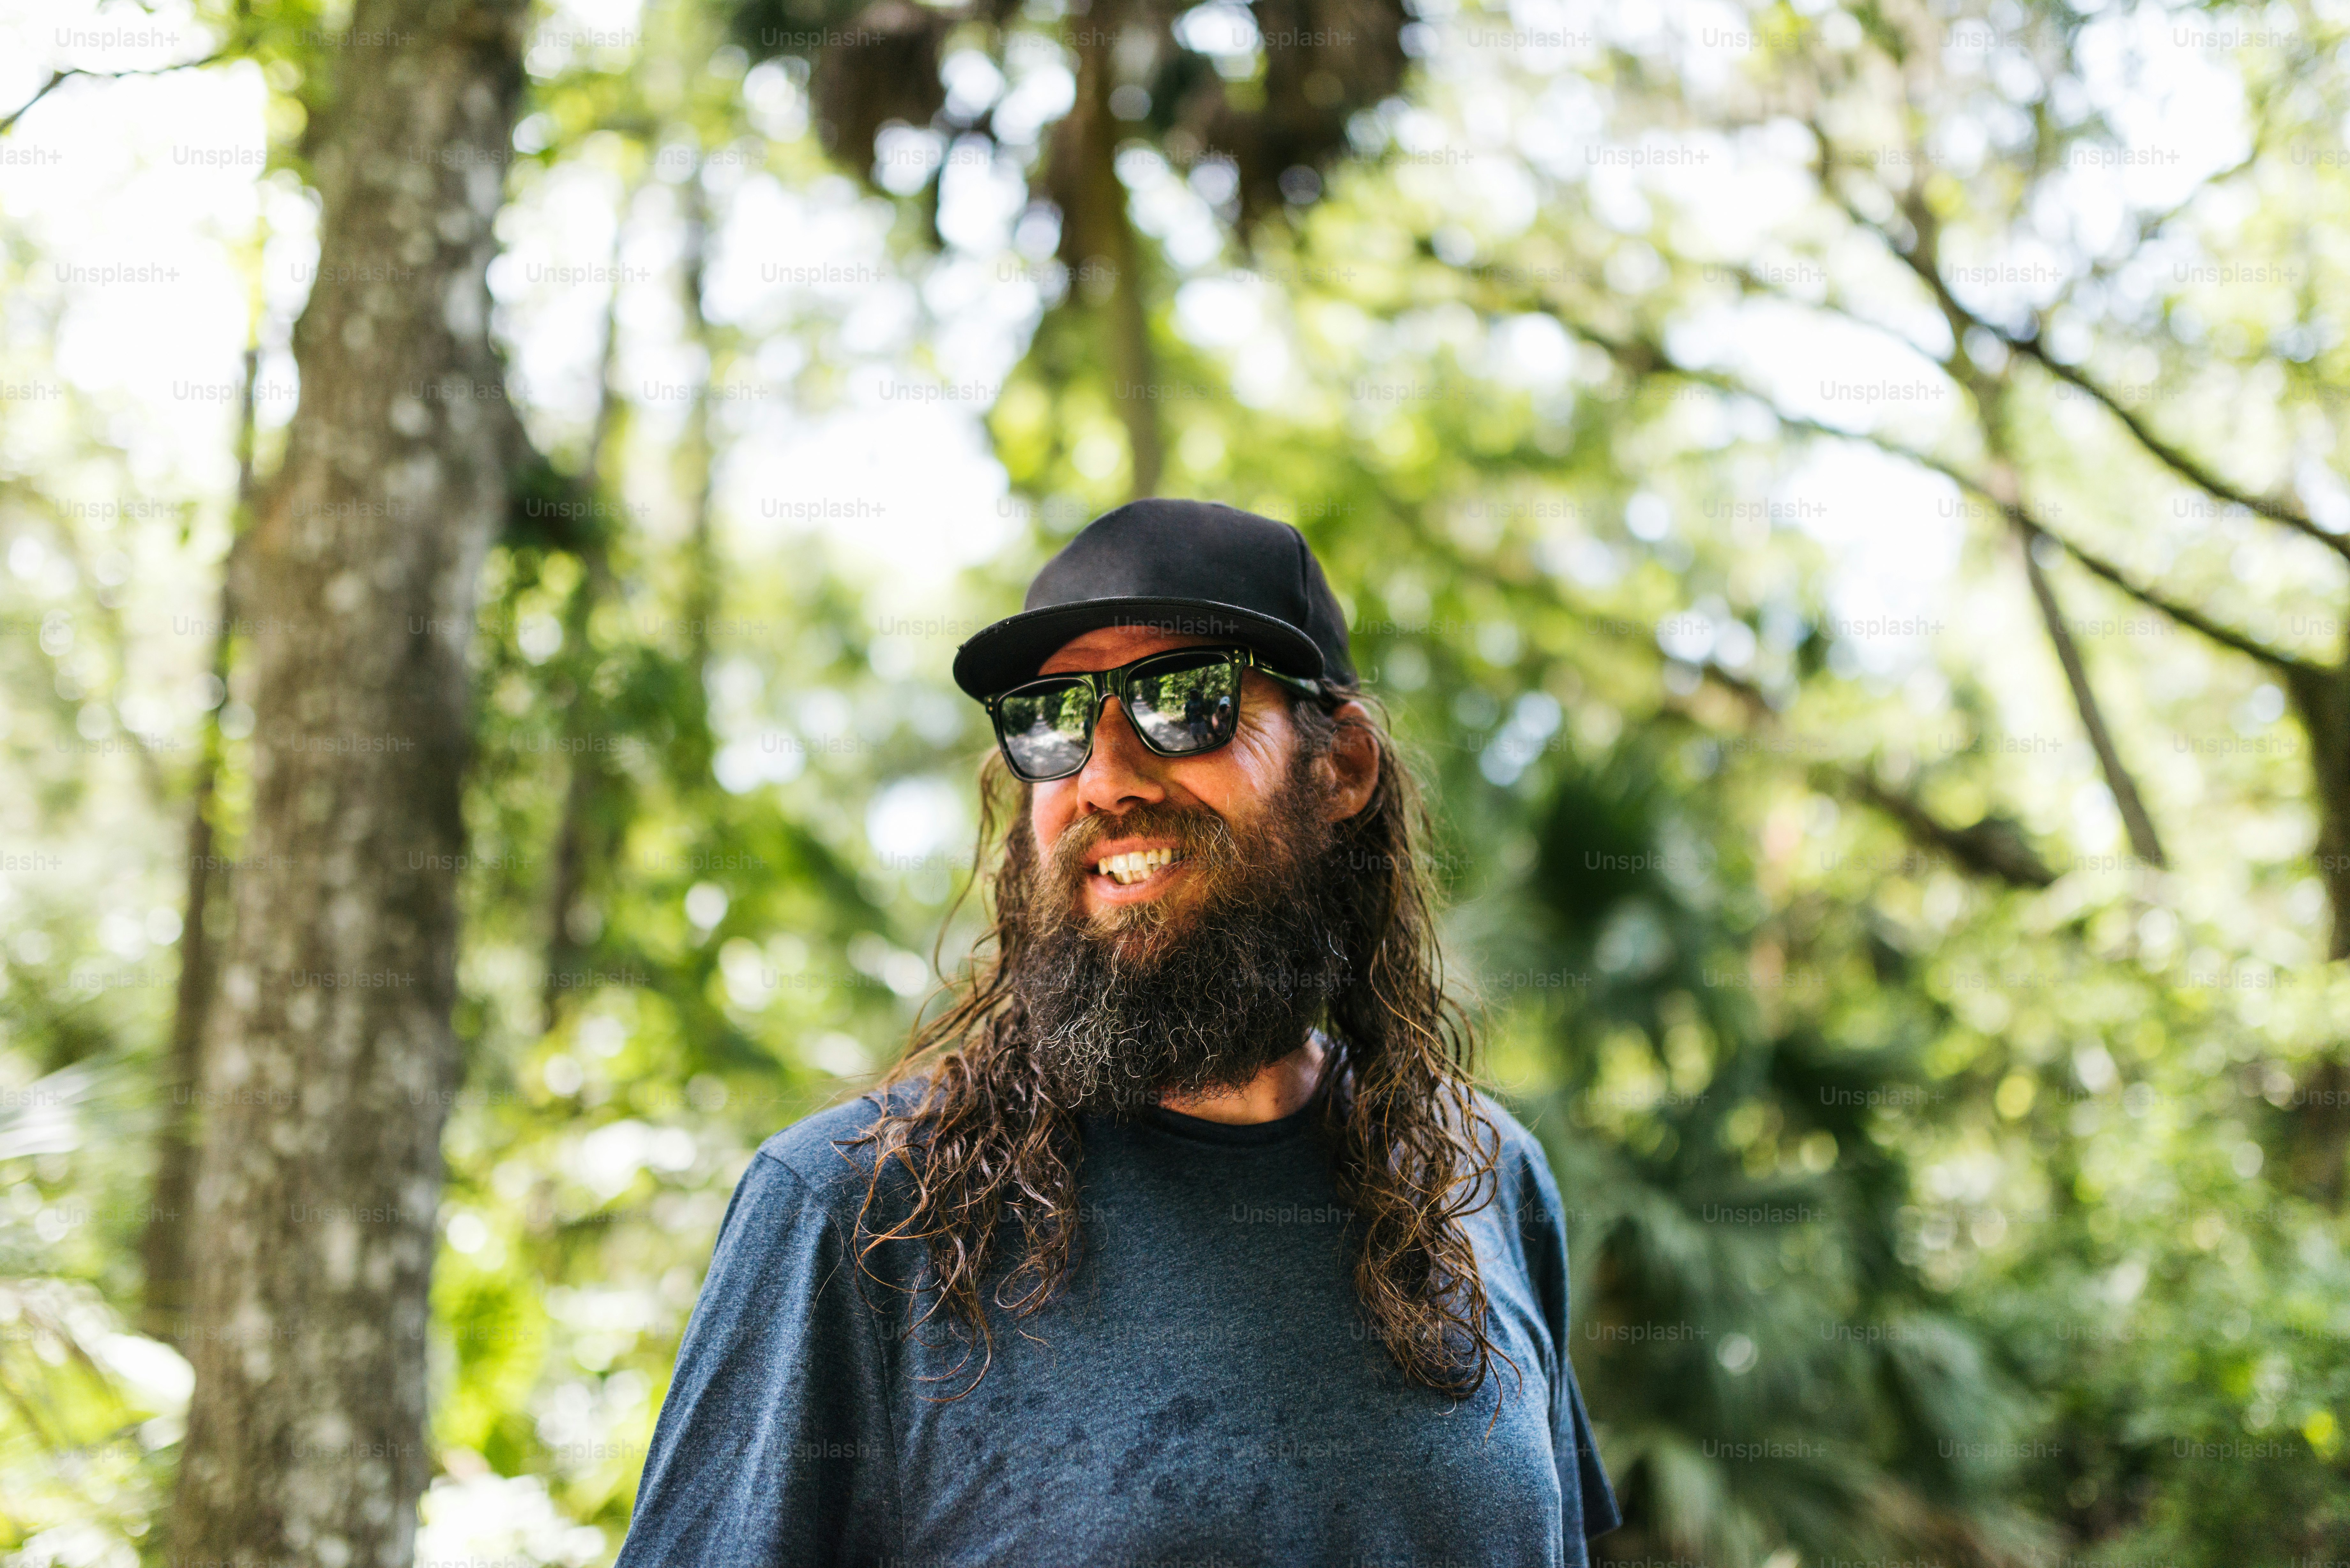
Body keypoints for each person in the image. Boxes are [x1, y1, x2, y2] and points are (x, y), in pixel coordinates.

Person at [614, 499, 1620, 1565]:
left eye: (1183, 704)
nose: (1105, 781)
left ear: (1342, 769)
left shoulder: (1483, 1180)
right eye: (1053, 721)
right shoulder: (855, 1217)